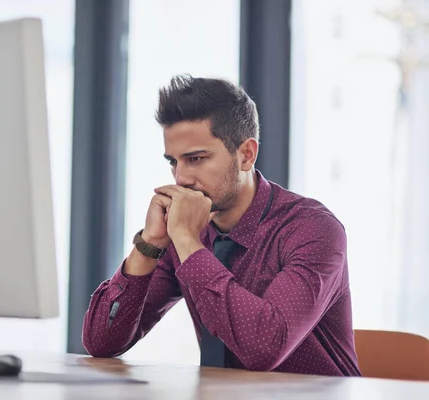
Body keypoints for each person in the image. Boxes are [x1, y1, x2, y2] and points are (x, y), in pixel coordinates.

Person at [81, 75, 361, 376]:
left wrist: (188, 241)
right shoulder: (184, 232)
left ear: (246, 154)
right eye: (173, 162)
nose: (181, 179)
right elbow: (101, 343)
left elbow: (264, 348)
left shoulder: (312, 229)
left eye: (197, 159)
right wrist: (149, 244)